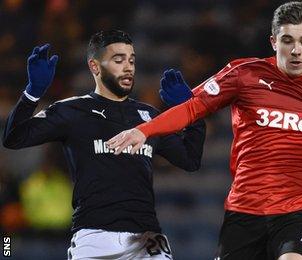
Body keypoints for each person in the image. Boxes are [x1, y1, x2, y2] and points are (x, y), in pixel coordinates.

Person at [106, 2, 302, 259]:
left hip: (298, 209)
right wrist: (145, 131)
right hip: (245, 208)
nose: (296, 51)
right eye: (287, 40)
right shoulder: (244, 74)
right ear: (273, 42)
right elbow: (192, 109)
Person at [3, 30, 206, 259]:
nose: (128, 67)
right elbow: (14, 138)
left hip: (147, 237)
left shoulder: (149, 117)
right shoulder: (73, 111)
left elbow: (190, 160)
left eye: (131, 60)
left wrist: (191, 111)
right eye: (118, 60)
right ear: (95, 66)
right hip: (94, 236)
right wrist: (32, 93)